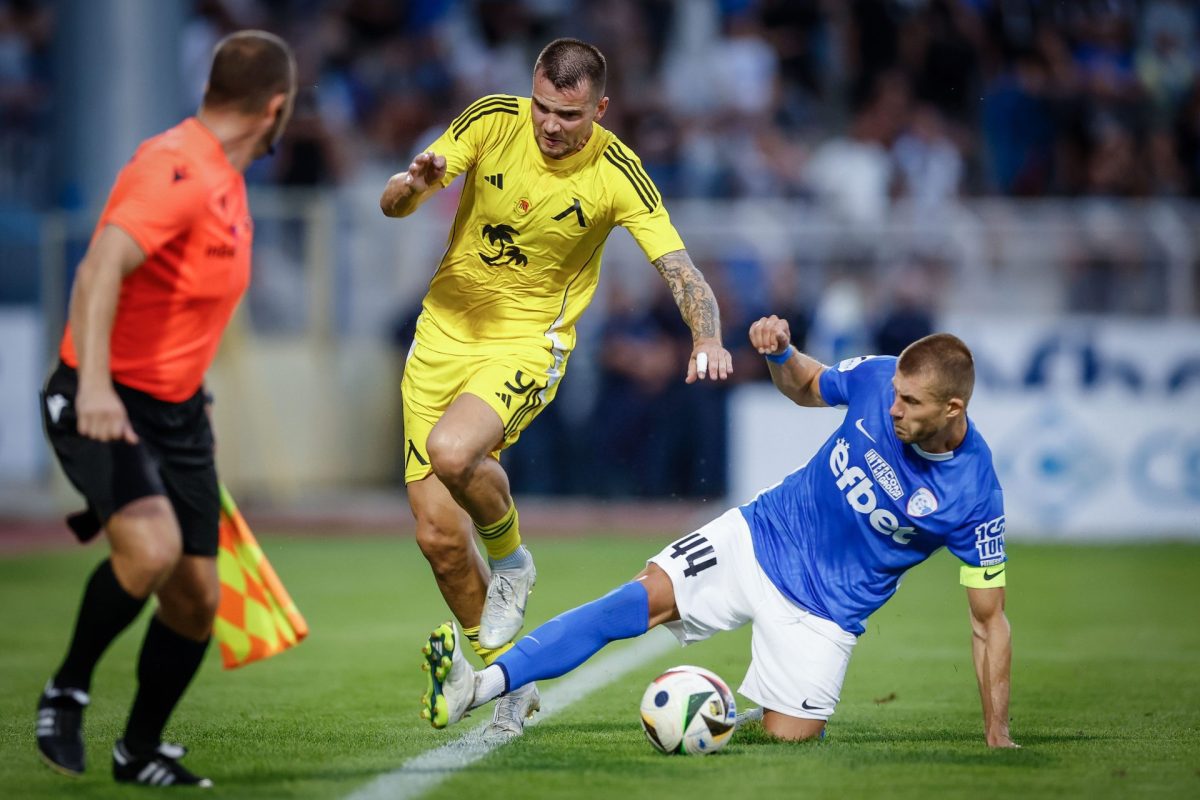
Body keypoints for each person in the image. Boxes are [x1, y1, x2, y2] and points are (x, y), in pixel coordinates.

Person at [420, 320, 1017, 749]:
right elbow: (807, 385)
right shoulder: (879, 378)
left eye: (910, 403)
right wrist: (782, 355)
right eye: (895, 395)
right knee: (633, 602)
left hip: (825, 612)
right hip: (760, 535)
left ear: (953, 409)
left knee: (792, 737)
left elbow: (988, 621)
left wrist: (998, 734)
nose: (894, 409)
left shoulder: (974, 495)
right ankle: (478, 687)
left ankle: (728, 716)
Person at [380, 38, 733, 739]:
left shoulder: (618, 173)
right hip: (439, 338)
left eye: (569, 115)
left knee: (454, 452)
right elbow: (395, 203)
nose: (549, 124)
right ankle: (510, 686)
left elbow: (681, 271)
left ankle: (513, 562)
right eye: (542, 106)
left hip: (525, 343)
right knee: (440, 540)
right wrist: (411, 187)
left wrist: (708, 337)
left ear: (599, 109)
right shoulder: (492, 119)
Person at [36, 31, 296, 787]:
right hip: (104, 397)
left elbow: (176, 309)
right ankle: (65, 692)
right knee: (149, 553)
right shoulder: (175, 166)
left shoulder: (227, 180)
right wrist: (94, 388)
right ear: (275, 108)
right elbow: (98, 270)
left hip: (178, 413)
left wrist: (189, 391)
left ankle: (139, 750)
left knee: (196, 602)